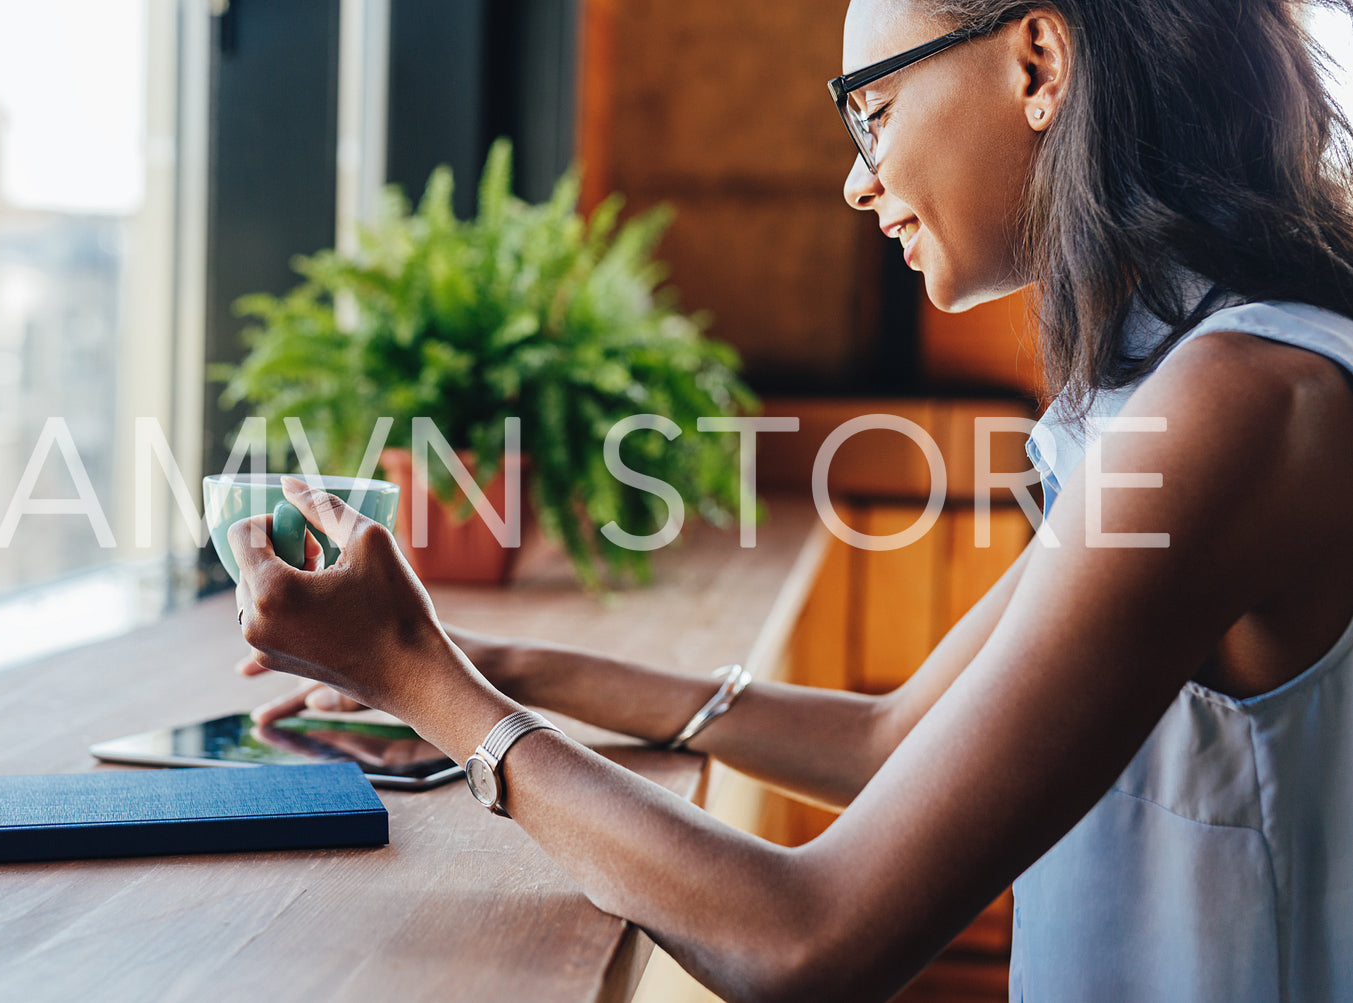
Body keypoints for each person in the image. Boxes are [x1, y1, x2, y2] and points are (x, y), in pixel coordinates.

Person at [228, 0, 1353, 998]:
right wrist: (466, 666)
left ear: (1037, 65)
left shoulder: (1235, 406)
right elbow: (891, 739)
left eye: (873, 108)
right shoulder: (1187, 382)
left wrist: (426, 685)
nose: (855, 177)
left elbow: (806, 942)